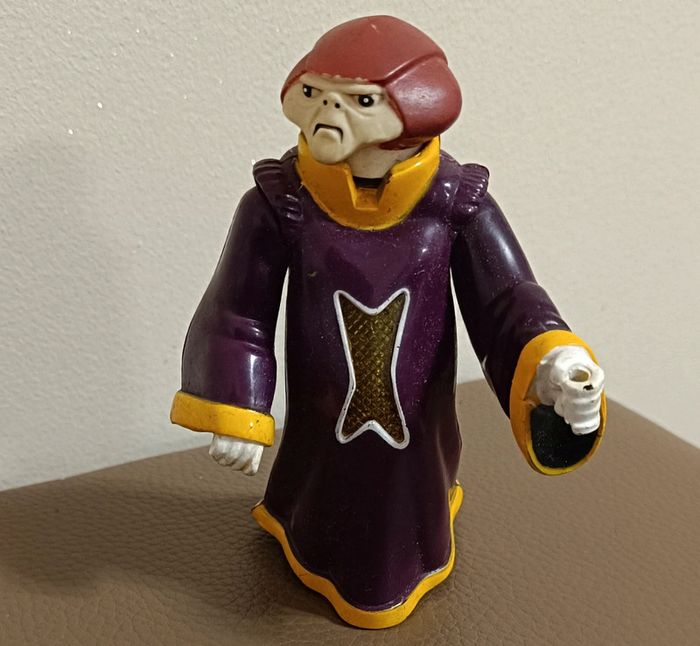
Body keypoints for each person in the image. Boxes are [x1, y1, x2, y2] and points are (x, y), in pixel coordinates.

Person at [170, 15, 606, 629]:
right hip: (320, 427)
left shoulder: (455, 207)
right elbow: (238, 308)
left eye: (361, 101)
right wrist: (235, 403)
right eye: (317, 92)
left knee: (409, 483)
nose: (329, 113)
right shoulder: (281, 204)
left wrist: (553, 358)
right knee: (322, 485)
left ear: (418, 109)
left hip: (418, 429)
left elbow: (507, 298)